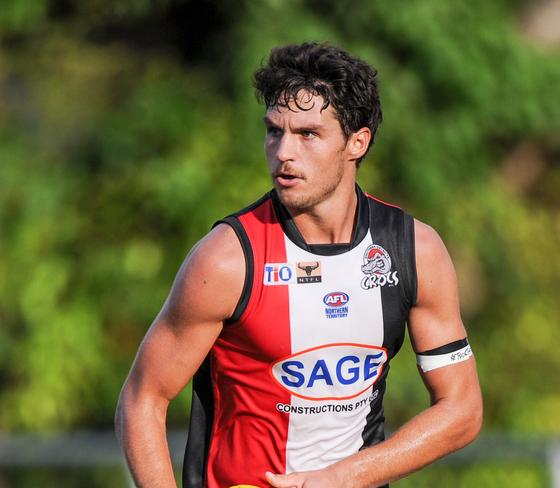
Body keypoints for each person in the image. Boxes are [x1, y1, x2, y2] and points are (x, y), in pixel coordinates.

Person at [115, 42, 482, 488]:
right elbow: (142, 400)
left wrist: (346, 476)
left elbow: (462, 409)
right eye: (274, 131)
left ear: (357, 142)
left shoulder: (413, 250)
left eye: (308, 134)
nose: (284, 152)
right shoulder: (228, 259)